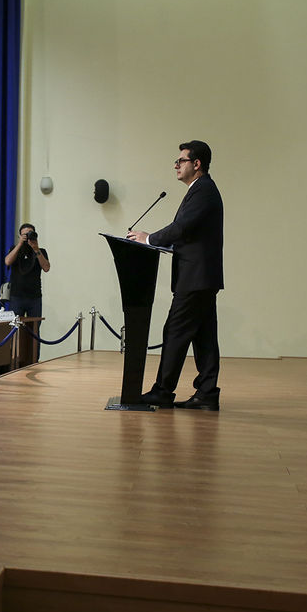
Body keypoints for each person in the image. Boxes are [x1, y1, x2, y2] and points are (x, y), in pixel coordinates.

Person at [127, 140, 224, 411]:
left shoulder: (203, 190)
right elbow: (190, 234)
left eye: (181, 160)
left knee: (175, 332)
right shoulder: (202, 190)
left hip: (195, 278)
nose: (176, 165)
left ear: (197, 164)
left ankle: (162, 391)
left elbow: (181, 227)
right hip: (201, 278)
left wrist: (149, 239)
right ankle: (207, 393)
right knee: (204, 337)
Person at [4, 223, 50, 318]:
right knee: (15, 325)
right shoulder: (15, 249)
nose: (27, 236)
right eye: (24, 234)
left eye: (30, 233)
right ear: (20, 236)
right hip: (16, 296)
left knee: (35, 325)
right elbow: (7, 261)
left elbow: (46, 268)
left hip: (35, 297)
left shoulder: (41, 251)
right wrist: (20, 244)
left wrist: (36, 249)